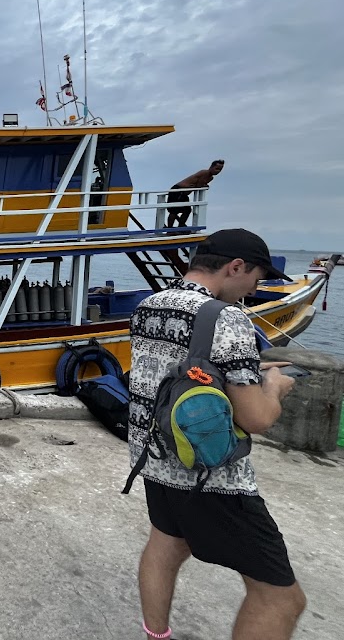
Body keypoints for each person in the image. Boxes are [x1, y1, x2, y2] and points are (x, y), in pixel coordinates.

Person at [128, 229, 305, 640]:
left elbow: (176, 371)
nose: (254, 290)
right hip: (211, 476)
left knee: (166, 545)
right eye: (257, 279)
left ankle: (156, 635)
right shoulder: (228, 318)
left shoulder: (149, 305)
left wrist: (237, 374)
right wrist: (275, 385)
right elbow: (257, 418)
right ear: (235, 267)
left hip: (154, 458)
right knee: (281, 598)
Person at [166, 159, 224, 227]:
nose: (218, 171)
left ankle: (181, 227)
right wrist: (203, 185)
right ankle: (170, 230)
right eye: (216, 169)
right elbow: (199, 185)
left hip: (184, 194)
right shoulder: (204, 173)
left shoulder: (210, 178)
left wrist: (202, 185)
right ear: (211, 167)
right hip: (178, 190)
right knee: (174, 211)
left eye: (220, 170)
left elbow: (199, 185)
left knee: (187, 210)